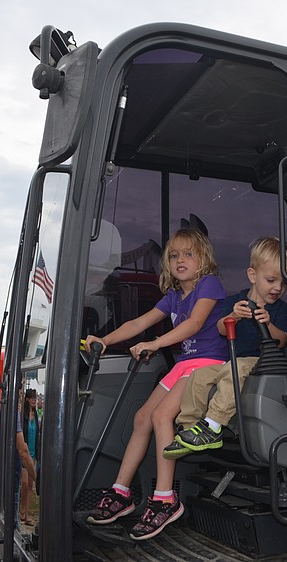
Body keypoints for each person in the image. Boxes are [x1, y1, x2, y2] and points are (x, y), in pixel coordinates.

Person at [85, 228, 227, 540]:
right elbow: (138, 323)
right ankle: (121, 493)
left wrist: (156, 343)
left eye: (189, 254)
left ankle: (165, 499)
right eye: (174, 255)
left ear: (203, 259)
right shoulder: (174, 297)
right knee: (141, 418)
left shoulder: (209, 285)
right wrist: (104, 340)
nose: (180, 260)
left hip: (208, 366)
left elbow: (194, 324)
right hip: (184, 366)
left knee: (162, 416)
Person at [162, 236, 287, 458]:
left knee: (237, 369)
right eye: (271, 280)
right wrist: (234, 316)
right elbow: (222, 329)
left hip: (262, 364)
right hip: (232, 360)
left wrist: (267, 323)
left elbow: (282, 340)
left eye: (284, 283)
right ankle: (188, 428)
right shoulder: (236, 301)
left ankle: (213, 425)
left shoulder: (280, 310)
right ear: (253, 275)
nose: (278, 288)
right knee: (200, 375)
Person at [20, 389, 41, 525]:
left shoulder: (37, 416)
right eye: (32, 398)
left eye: (35, 398)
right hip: (25, 454)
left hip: (33, 454)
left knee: (30, 487)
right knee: (24, 483)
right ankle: (22, 511)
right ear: (27, 399)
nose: (34, 400)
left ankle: (26, 515)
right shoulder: (23, 417)